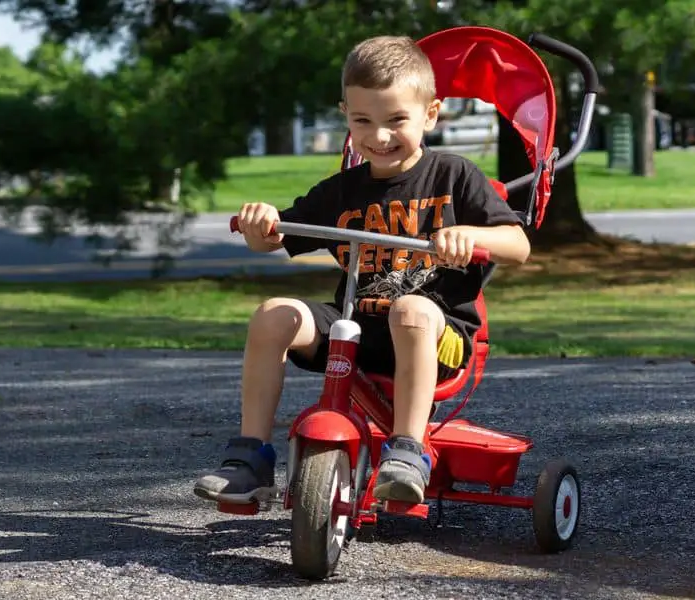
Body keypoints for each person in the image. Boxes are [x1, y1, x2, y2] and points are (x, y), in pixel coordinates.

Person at [194, 35, 531, 506]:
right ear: (345, 116)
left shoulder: (454, 177)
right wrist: (259, 224)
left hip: (436, 333)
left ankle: (408, 450)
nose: (379, 136)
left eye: (397, 120)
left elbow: (518, 245)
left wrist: (471, 237)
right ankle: (250, 458)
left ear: (430, 114)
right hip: (356, 327)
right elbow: (273, 237)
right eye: (362, 121)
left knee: (411, 309)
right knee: (273, 313)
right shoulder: (342, 191)